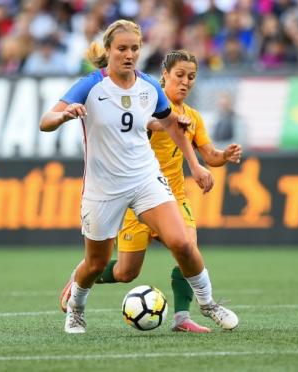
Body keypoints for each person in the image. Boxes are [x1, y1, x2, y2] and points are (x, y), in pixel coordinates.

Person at [39, 20, 238, 334]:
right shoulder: (90, 85)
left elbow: (168, 122)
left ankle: (208, 303)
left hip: (145, 179)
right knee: (97, 263)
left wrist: (189, 150)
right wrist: (63, 115)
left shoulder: (148, 86)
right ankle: (76, 308)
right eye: (122, 48)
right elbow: (45, 121)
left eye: (134, 48)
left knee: (183, 243)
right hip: (104, 187)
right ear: (109, 51)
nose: (129, 54)